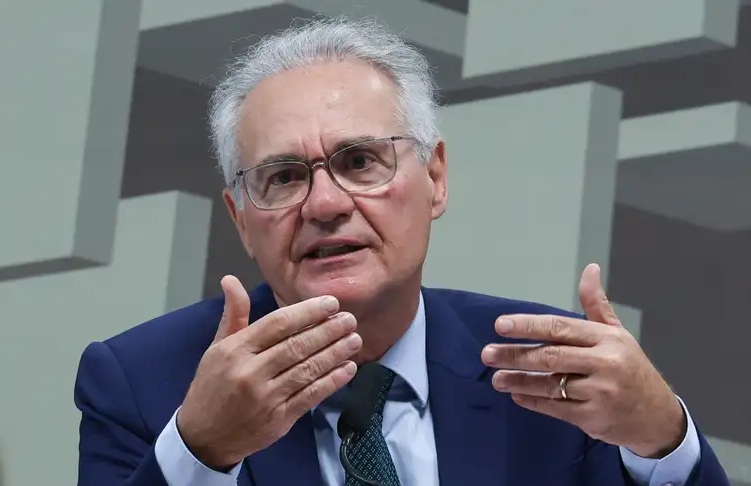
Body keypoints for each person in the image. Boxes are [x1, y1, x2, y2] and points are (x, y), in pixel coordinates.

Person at [74, 16, 729, 486]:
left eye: (359, 161)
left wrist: (660, 437)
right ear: (241, 220)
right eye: (283, 177)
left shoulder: (551, 372)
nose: (324, 204)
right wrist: (201, 452)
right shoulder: (139, 383)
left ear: (435, 179)